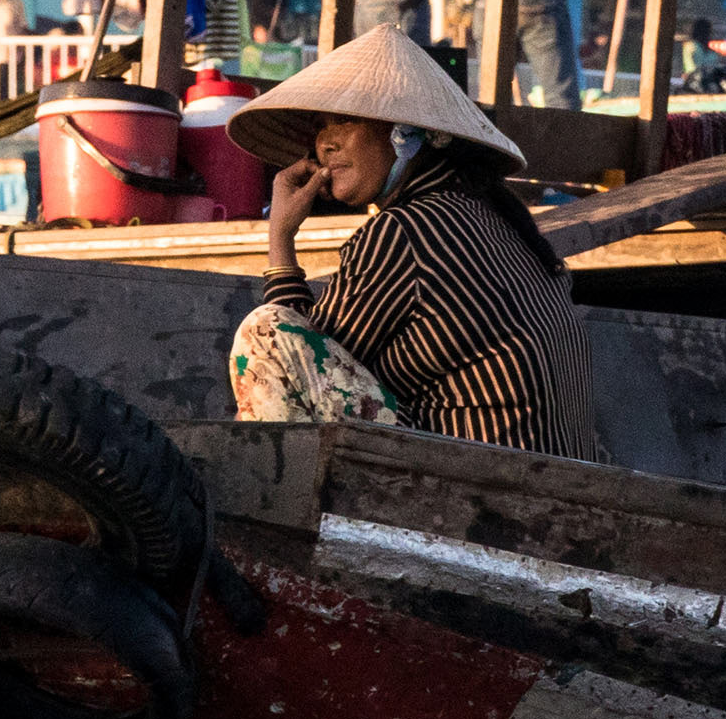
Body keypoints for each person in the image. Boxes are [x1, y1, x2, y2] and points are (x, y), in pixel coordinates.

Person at [226, 25, 600, 456]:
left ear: (406, 133)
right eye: (320, 128)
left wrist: (280, 238)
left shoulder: (406, 231)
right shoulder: (489, 219)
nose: (325, 143)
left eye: (345, 120)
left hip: (483, 480)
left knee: (267, 331)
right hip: (530, 475)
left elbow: (297, 368)